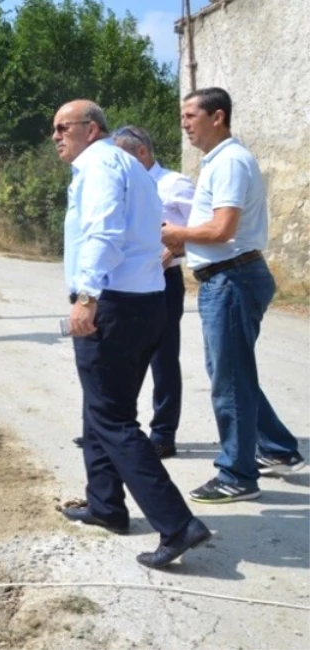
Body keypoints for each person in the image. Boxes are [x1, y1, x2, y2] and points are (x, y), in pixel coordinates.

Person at [54, 99, 209, 569]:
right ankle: (105, 504)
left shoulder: (100, 164)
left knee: (113, 419)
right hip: (142, 301)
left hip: (113, 303)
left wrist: (86, 296)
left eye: (65, 127)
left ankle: (177, 523)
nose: (57, 135)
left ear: (92, 129)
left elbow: (103, 233)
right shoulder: (128, 165)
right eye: (54, 129)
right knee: (100, 408)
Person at [161, 87, 304, 503]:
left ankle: (237, 475)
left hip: (232, 279)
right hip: (229, 277)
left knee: (230, 380)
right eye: (183, 116)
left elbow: (222, 230)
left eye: (190, 115)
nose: (184, 123)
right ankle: (277, 449)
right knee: (233, 373)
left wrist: (177, 234)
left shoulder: (230, 163)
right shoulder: (221, 162)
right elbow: (217, 232)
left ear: (217, 116)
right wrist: (177, 245)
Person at [90, 125, 192, 459]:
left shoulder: (173, 183)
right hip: (126, 284)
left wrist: (175, 252)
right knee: (122, 359)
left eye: (122, 155)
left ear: (142, 153)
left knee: (163, 357)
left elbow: (202, 230)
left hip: (164, 283)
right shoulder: (124, 183)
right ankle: (115, 430)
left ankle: (163, 434)